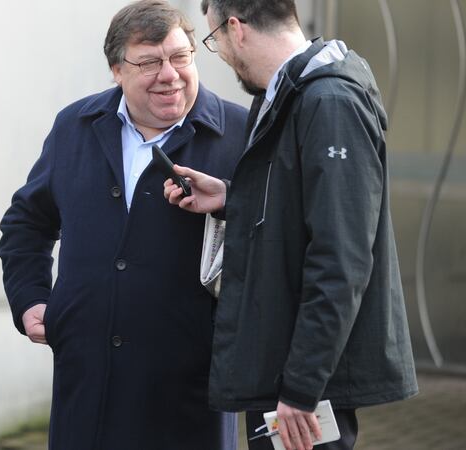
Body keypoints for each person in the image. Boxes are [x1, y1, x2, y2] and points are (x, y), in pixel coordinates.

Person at [164, 1, 418, 449]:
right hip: (279, 369)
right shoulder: (287, 95)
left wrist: (302, 387)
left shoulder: (330, 102)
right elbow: (299, 208)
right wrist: (232, 199)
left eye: (214, 39)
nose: (222, 54)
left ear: (236, 28)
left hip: (302, 387)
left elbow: (341, 259)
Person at [0, 1, 248, 448]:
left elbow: (278, 234)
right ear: (116, 70)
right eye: (149, 62)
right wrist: (29, 297)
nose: (169, 74)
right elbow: (27, 222)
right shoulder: (75, 126)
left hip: (190, 394)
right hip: (87, 386)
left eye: (180, 57)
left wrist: (230, 200)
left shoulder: (240, 132)